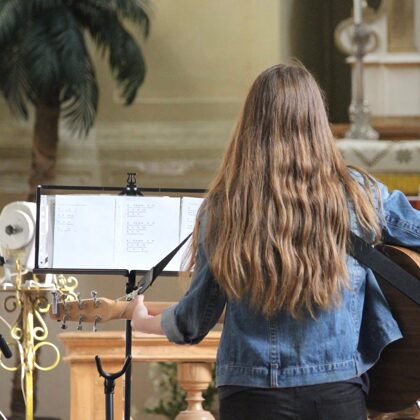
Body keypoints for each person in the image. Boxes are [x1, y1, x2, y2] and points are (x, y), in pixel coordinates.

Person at [131, 63, 420, 420]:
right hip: (335, 390)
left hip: (250, 394)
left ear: (250, 125)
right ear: (317, 122)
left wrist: (143, 321)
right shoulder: (358, 194)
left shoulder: (225, 206)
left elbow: (195, 319)